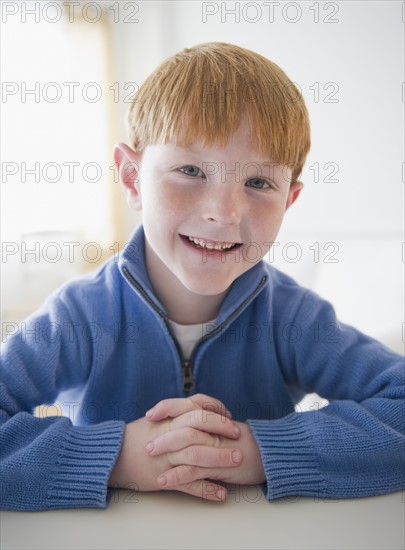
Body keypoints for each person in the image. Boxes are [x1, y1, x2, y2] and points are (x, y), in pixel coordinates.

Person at [1, 42, 403, 511]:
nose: (223, 213)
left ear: (288, 201)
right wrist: (116, 458)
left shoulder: (295, 318)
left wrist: (254, 451)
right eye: (190, 170)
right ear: (132, 179)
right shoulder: (77, 315)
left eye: (258, 183)